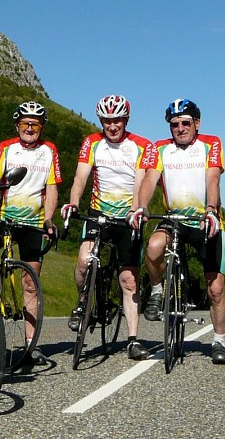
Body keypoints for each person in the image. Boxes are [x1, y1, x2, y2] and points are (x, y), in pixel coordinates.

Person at [130, 98, 225, 364]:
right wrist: (141, 207)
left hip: (203, 220)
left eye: (186, 123)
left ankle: (219, 341)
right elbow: (151, 179)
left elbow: (212, 177)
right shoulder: (160, 148)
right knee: (152, 248)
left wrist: (210, 209)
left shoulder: (211, 143)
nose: (180, 129)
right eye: (175, 124)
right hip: (173, 219)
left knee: (216, 289)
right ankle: (156, 290)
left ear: (197, 124)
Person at [61, 95, 152, 360]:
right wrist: (74, 203)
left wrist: (136, 211)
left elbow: (140, 181)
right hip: (98, 212)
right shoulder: (92, 142)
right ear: (101, 120)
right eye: (107, 121)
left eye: (117, 121)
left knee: (128, 280)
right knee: (83, 261)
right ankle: (82, 305)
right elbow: (80, 176)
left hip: (127, 217)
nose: (112, 126)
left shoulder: (141, 145)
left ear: (126, 119)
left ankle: (133, 340)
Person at [0, 101, 61, 366]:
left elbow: (52, 188)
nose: (30, 128)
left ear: (41, 127)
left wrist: (48, 219)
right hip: (4, 219)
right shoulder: (5, 147)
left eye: (35, 124)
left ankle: (30, 345)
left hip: (33, 223)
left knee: (30, 284)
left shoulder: (49, 150)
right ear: (17, 125)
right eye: (25, 123)